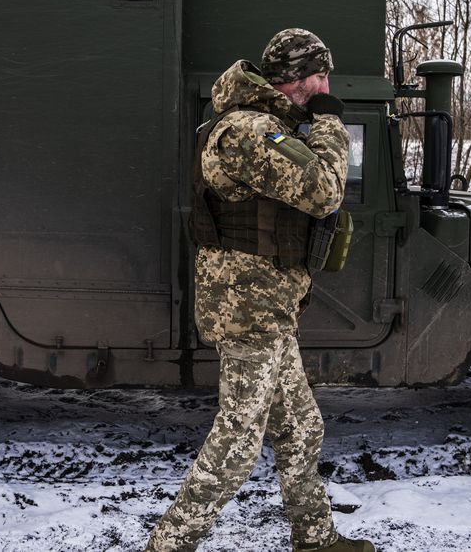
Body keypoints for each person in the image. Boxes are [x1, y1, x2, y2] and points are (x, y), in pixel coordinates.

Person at [143, 29, 372, 552]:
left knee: (300, 427)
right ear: (296, 78)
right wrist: (331, 121)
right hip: (248, 309)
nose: (325, 85)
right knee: (238, 444)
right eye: (319, 76)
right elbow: (324, 191)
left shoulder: (270, 125)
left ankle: (315, 539)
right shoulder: (247, 131)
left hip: (268, 306)